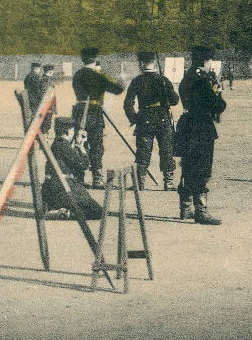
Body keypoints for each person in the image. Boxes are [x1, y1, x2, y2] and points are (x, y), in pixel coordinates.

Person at [176, 46, 227, 225]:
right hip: (201, 128)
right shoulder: (202, 81)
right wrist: (216, 91)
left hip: (187, 125)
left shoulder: (187, 78)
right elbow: (218, 106)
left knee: (188, 166)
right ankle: (201, 210)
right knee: (202, 168)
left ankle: (185, 207)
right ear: (206, 61)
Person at [123, 52, 179, 191]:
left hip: (145, 119)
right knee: (166, 150)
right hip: (162, 118)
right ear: (154, 63)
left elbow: (127, 103)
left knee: (143, 151)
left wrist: (134, 118)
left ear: (141, 64)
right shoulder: (163, 80)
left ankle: (139, 183)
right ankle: (169, 182)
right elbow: (175, 101)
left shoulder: (137, 81)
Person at [72, 47, 125, 188]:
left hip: (79, 111)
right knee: (96, 146)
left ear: (83, 59)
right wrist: (101, 72)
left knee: (79, 144)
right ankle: (97, 178)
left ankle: (79, 178)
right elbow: (119, 88)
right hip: (94, 112)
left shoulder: (77, 74)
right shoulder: (98, 75)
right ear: (95, 60)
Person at [41, 117, 104, 220]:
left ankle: (59, 209)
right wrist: (81, 147)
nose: (74, 134)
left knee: (90, 206)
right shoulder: (62, 145)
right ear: (67, 131)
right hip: (62, 188)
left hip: (54, 188)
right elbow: (83, 164)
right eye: (73, 131)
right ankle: (64, 213)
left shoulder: (58, 144)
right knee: (98, 211)